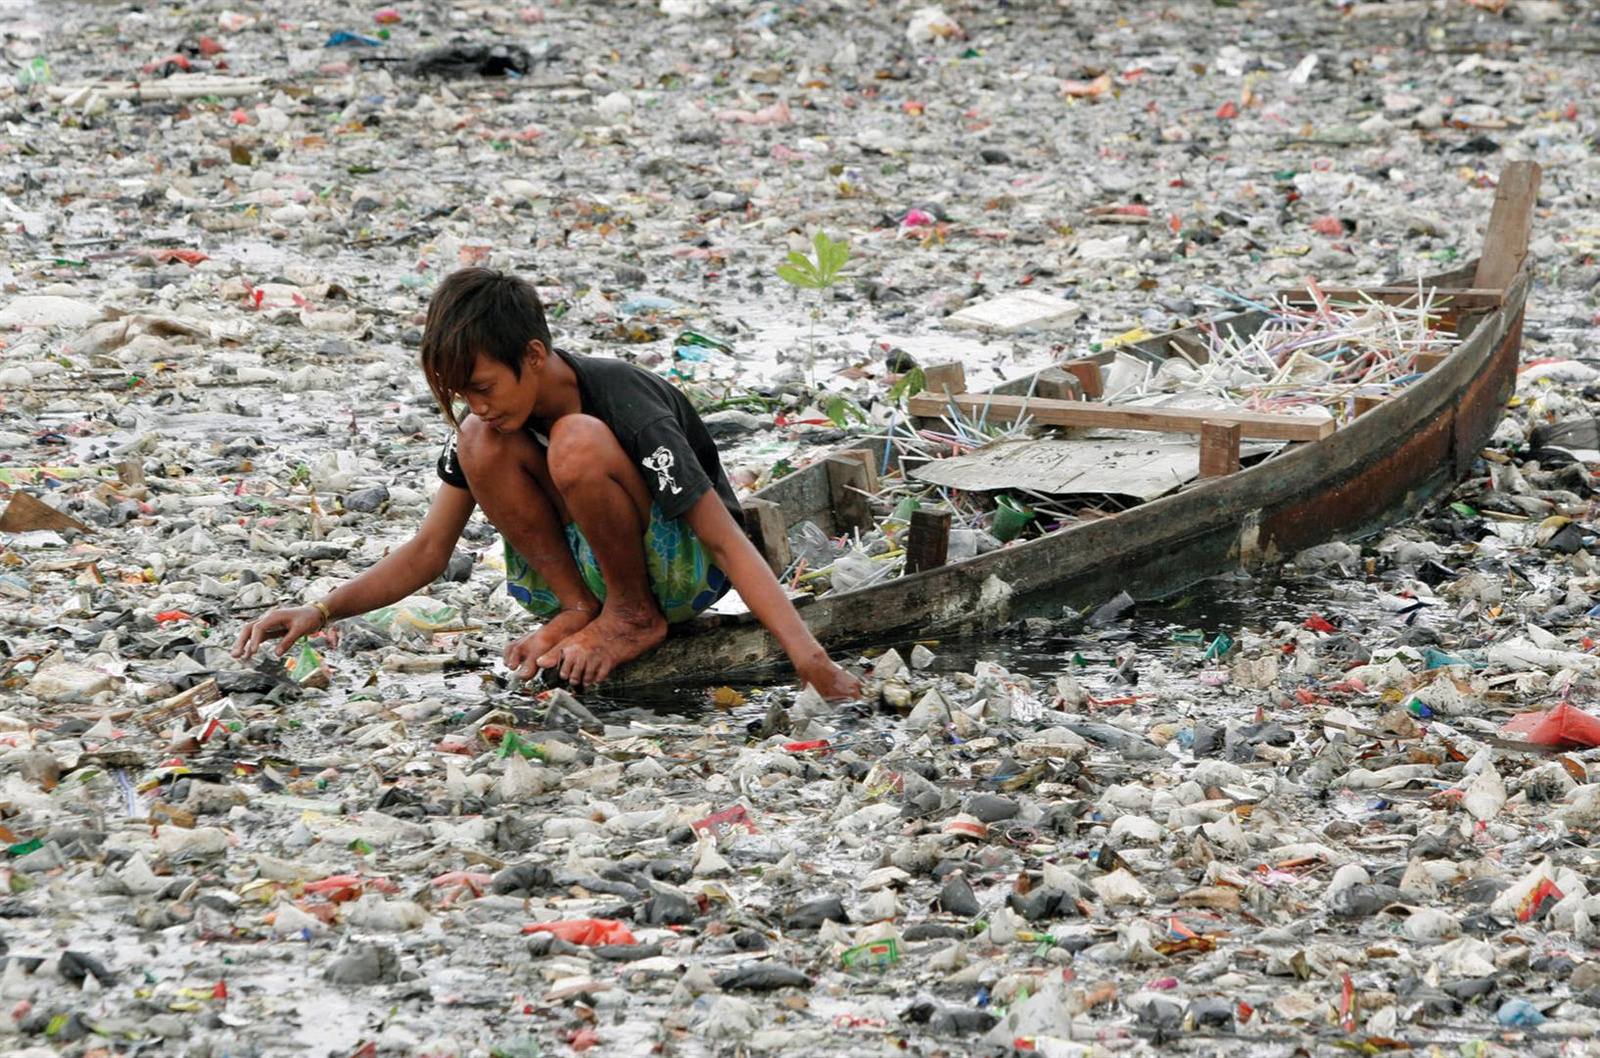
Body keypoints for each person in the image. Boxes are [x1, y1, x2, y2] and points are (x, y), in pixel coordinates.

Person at [233, 267, 862, 700]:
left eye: (484, 387)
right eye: (462, 393)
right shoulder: (488, 423)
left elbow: (725, 539)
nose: (476, 404)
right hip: (587, 579)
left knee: (576, 440)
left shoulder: (623, 402)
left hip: (681, 572)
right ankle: (581, 609)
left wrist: (811, 661)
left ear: (533, 356)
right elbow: (429, 551)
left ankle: (631, 616)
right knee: (477, 442)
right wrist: (319, 610)